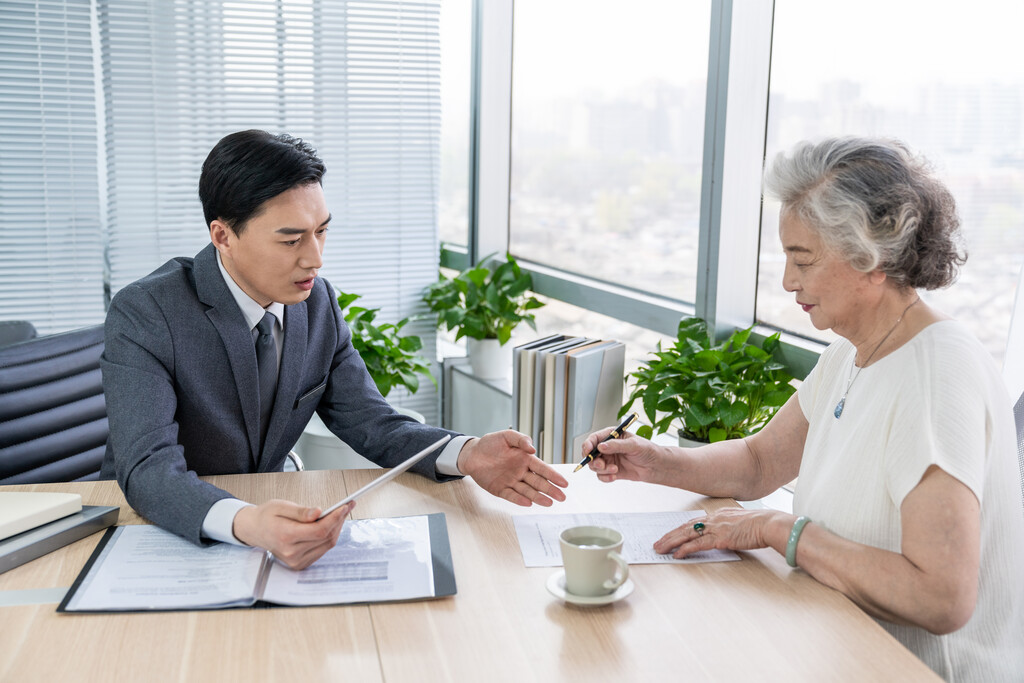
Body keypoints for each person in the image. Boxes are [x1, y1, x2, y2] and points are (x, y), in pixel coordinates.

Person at [582, 137, 1024, 681]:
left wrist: (779, 530)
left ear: (872, 259)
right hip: (837, 644)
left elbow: (940, 597)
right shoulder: (854, 350)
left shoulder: (936, 375)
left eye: (803, 260)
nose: (789, 281)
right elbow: (760, 462)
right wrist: (653, 462)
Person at [100, 130, 567, 570]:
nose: (315, 258)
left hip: (269, 531)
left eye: (321, 230)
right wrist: (245, 521)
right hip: (159, 530)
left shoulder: (316, 301)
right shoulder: (147, 311)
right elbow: (148, 470)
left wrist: (466, 454)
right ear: (222, 236)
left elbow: (371, 421)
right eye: (291, 239)